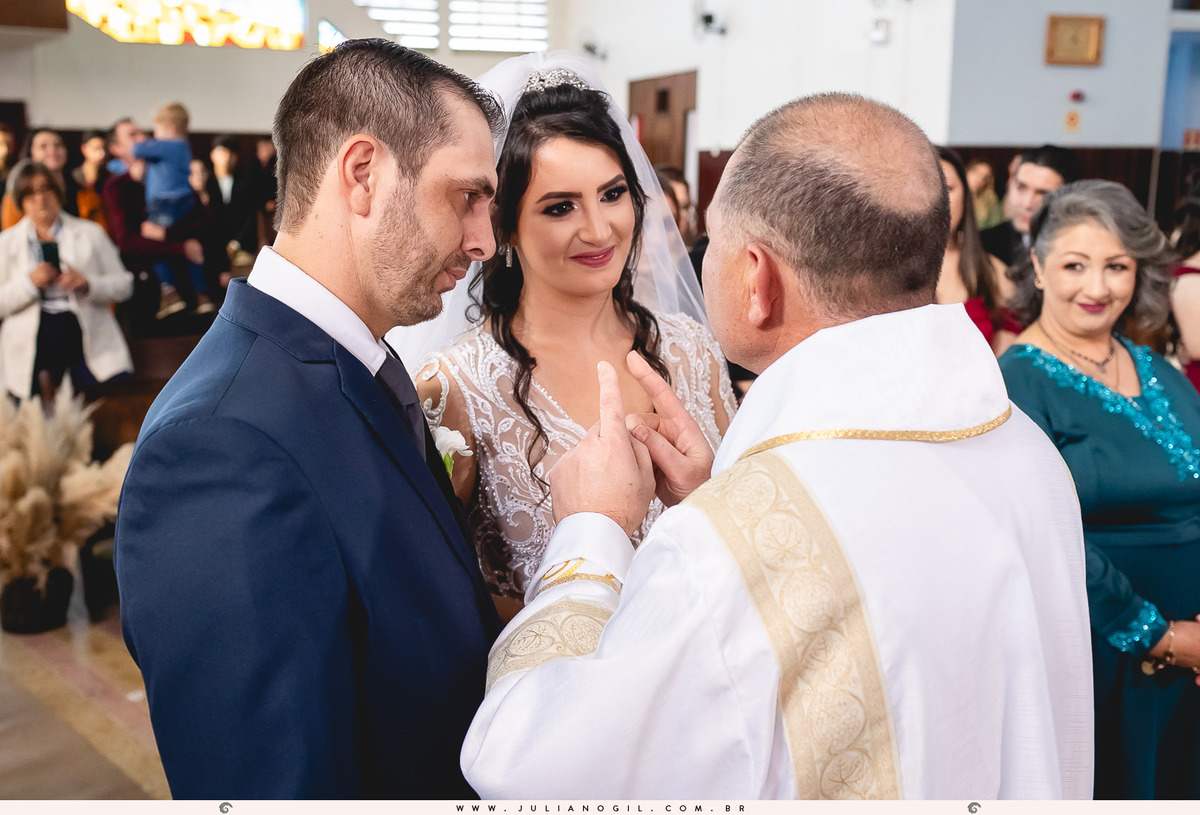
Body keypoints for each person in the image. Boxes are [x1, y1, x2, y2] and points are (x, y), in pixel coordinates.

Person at [461, 93, 1094, 799]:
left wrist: (590, 532)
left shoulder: (727, 542)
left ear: (757, 280)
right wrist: (721, 490)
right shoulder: (1032, 457)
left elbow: (535, 765)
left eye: (715, 248)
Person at [114, 39, 502, 798]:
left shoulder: (355, 365)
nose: (485, 240)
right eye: (467, 196)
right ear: (363, 175)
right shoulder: (218, 447)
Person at [400, 54, 735, 622]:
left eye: (612, 194)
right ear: (502, 225)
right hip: (549, 687)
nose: (600, 230)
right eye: (560, 207)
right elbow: (430, 598)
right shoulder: (454, 387)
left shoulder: (692, 350)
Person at [998, 180, 1200, 800]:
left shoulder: (1158, 367)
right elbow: (1038, 535)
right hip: (1103, 653)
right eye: (1075, 266)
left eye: (1117, 267)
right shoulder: (1013, 385)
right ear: (1036, 265)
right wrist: (1161, 637)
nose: (1097, 287)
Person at [0, 162, 133, 401]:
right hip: (32, 337)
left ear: (58, 191)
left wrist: (87, 284)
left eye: (46, 189)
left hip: (85, 329)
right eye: (29, 194)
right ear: (19, 201)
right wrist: (29, 284)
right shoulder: (6, 243)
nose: (40, 199)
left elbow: (125, 285)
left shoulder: (91, 232)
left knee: (110, 402)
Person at [133, 104, 212, 315]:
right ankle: (201, 294)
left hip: (164, 203)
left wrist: (140, 138)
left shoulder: (172, 144)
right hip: (183, 203)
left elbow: (137, 149)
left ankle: (169, 290)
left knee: (155, 243)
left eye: (156, 131)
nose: (154, 136)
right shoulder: (183, 146)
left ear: (170, 128)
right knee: (190, 248)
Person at [936, 147, 1005, 347]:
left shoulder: (991, 271)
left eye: (948, 188)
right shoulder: (881, 272)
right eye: (927, 187)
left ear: (965, 196)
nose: (938, 199)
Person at [981, 144, 1079, 267]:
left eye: (1043, 194)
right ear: (1010, 183)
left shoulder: (1080, 249)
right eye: (1021, 187)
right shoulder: (982, 244)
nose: (1027, 203)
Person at [2, 129, 81, 230]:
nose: (52, 151)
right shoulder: (15, 192)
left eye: (58, 145)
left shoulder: (82, 188)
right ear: (31, 152)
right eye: (43, 146)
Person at [72, 130, 110, 229]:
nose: (102, 154)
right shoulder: (74, 177)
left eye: (104, 149)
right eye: (96, 149)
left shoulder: (109, 176)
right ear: (84, 149)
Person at [967, 157, 1004, 230]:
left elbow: (995, 227)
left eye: (985, 178)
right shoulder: (953, 192)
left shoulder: (990, 199)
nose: (979, 179)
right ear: (967, 171)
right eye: (976, 173)